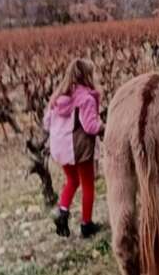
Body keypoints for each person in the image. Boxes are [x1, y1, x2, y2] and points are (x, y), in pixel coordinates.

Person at [44, 58, 104, 238]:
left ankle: (62, 214)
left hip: (60, 147)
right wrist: (105, 127)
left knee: (71, 180)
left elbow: (47, 123)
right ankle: (87, 224)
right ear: (87, 76)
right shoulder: (85, 98)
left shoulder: (58, 96)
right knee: (87, 184)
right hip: (79, 148)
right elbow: (90, 126)